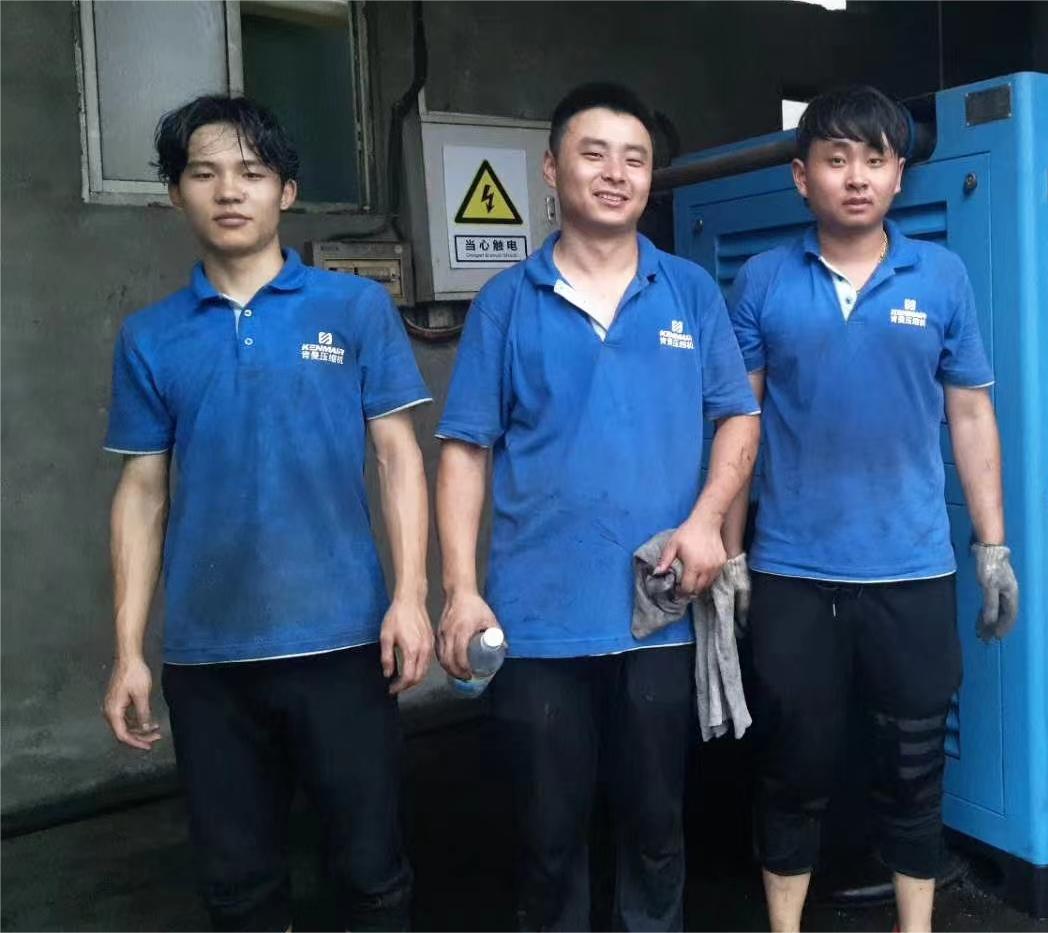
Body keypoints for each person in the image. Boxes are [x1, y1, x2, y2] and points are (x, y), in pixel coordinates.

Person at [101, 94, 433, 931]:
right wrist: (129, 650)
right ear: (175, 193)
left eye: (251, 172)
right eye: (203, 173)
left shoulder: (353, 309)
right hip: (210, 662)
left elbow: (398, 455)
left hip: (345, 644)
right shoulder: (150, 336)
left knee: (371, 873)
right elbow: (142, 491)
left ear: (286, 190)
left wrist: (410, 596)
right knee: (239, 888)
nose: (228, 190)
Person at [433, 82, 760, 932]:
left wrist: (707, 522)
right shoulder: (507, 303)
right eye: (594, 154)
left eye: (635, 159)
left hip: (660, 615)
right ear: (551, 169)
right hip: (539, 620)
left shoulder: (689, 291)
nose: (616, 174)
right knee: (548, 837)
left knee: (656, 827)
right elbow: (466, 450)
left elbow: (739, 414)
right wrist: (460, 588)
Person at [721, 85, 1020, 933]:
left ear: (898, 176)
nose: (856, 177)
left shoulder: (942, 275)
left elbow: (971, 413)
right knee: (792, 766)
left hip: (913, 570)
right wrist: (732, 552)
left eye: (876, 160)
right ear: (801, 176)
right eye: (836, 159)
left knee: (915, 769)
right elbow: (739, 423)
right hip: (793, 572)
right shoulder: (763, 280)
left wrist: (993, 546)